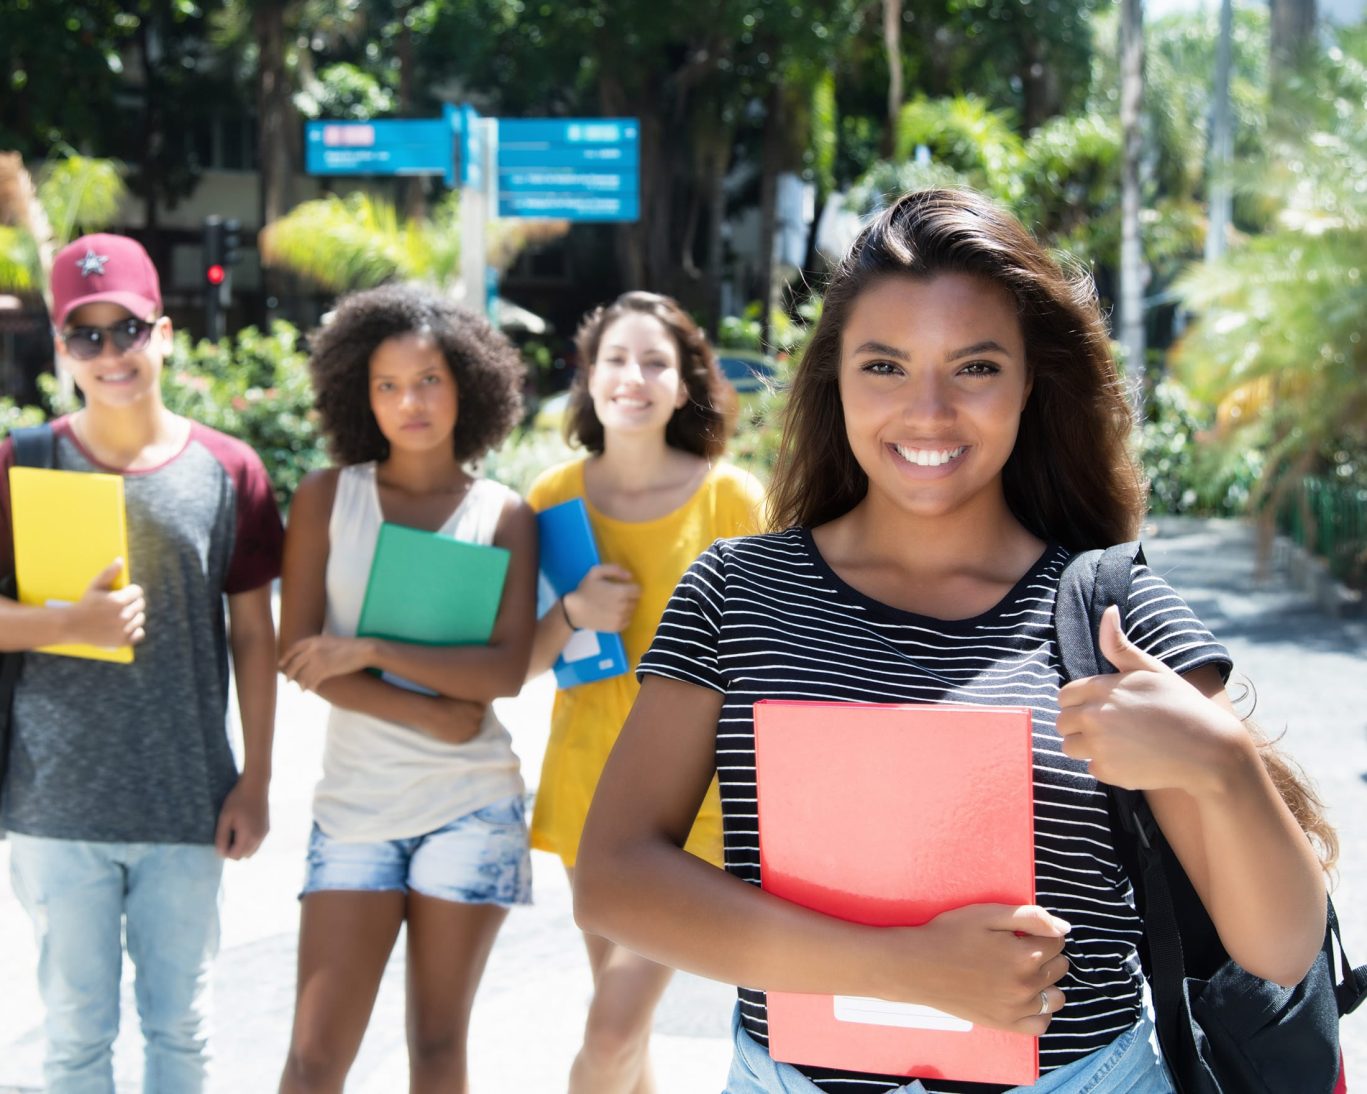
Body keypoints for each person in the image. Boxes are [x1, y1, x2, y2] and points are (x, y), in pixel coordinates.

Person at [573, 190, 1335, 1094]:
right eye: (884, 366)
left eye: (973, 367)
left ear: (1028, 384)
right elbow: (614, 878)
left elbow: (1281, 951)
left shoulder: (1109, 610)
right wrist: (903, 966)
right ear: (836, 382)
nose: (926, 410)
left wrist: (1223, 767)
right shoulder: (737, 591)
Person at [0, 233, 283, 1093]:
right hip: (57, 806)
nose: (110, 354)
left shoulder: (230, 470)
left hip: (187, 803)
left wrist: (257, 780)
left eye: (125, 329)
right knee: (76, 1043)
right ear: (61, 350)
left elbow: (253, 637)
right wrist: (65, 622)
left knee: (180, 1033)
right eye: (86, 337)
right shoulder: (21, 463)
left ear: (163, 333)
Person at [275, 283, 537, 1094]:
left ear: (467, 382)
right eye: (386, 386)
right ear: (361, 394)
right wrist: (425, 710)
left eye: (427, 380)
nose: (408, 402)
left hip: (472, 805)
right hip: (354, 806)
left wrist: (372, 648)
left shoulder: (503, 513)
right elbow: (300, 656)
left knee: (434, 1045)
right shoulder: (327, 498)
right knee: (315, 1056)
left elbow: (501, 671)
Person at [525, 290, 764, 1092]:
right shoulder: (548, 498)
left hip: (700, 802)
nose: (634, 376)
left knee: (612, 1025)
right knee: (620, 1025)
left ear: (685, 383)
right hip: (585, 788)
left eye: (654, 361)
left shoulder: (732, 498)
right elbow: (517, 661)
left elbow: (772, 650)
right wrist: (571, 613)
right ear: (589, 380)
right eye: (615, 360)